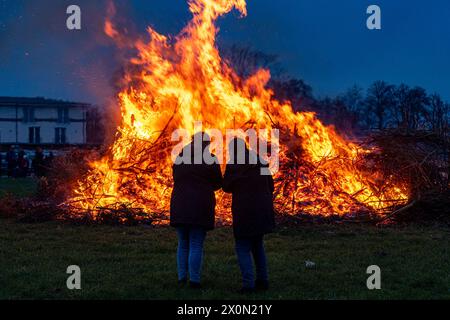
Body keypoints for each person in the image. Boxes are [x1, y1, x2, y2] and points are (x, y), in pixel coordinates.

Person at [170, 132, 223, 288]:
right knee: (195, 243)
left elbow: (176, 178)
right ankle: (194, 280)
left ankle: (181, 278)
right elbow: (218, 183)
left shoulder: (180, 157)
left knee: (183, 242)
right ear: (206, 144)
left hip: (180, 204)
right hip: (200, 205)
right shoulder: (210, 160)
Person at [222, 138, 275, 293]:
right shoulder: (261, 161)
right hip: (262, 211)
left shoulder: (234, 165)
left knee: (242, 247)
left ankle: (248, 284)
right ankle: (263, 281)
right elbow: (270, 186)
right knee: (258, 245)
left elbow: (226, 187)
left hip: (244, 211)